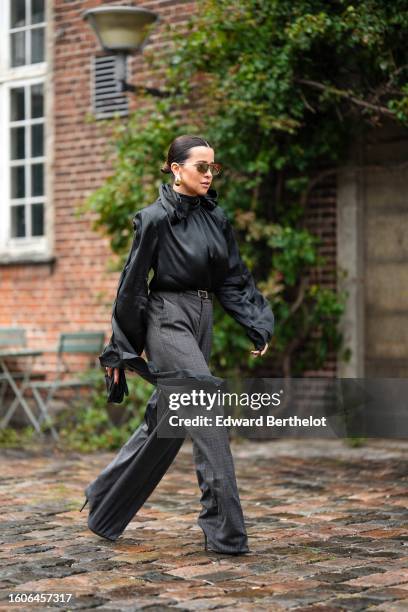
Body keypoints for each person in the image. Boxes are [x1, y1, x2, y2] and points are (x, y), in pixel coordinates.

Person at [81, 135, 274, 555]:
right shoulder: (153, 219)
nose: (209, 174)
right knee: (207, 413)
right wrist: (121, 346)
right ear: (175, 169)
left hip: (202, 319)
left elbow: (233, 278)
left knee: (167, 423)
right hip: (166, 318)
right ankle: (225, 534)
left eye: (213, 168)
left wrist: (256, 321)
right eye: (201, 166)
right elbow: (132, 285)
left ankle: (104, 502)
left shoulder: (215, 218)